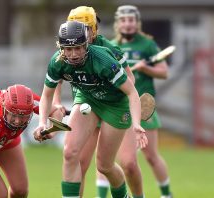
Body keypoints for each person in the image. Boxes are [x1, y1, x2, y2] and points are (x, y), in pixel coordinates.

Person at [33, 21, 147, 198]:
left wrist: (137, 124)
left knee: (104, 166)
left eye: (78, 48)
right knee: (70, 153)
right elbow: (46, 96)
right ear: (61, 47)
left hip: (115, 105)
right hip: (88, 99)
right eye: (68, 49)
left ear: (86, 44)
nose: (73, 54)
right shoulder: (57, 62)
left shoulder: (103, 60)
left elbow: (132, 92)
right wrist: (41, 123)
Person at [66, 6, 145, 198]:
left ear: (93, 28)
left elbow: (130, 81)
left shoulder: (108, 50)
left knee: (128, 164)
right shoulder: (68, 47)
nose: (79, 32)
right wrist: (55, 104)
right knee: (78, 162)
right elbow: (58, 75)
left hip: (113, 107)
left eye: (85, 27)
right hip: (88, 107)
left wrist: (108, 95)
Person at [111, 5, 172, 198]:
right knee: (110, 158)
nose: (127, 24)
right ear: (117, 23)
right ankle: (102, 194)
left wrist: (147, 69)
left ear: (137, 23)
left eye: (131, 20)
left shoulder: (147, 45)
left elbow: (164, 72)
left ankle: (166, 194)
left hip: (144, 106)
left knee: (151, 156)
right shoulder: (111, 46)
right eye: (123, 20)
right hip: (120, 108)